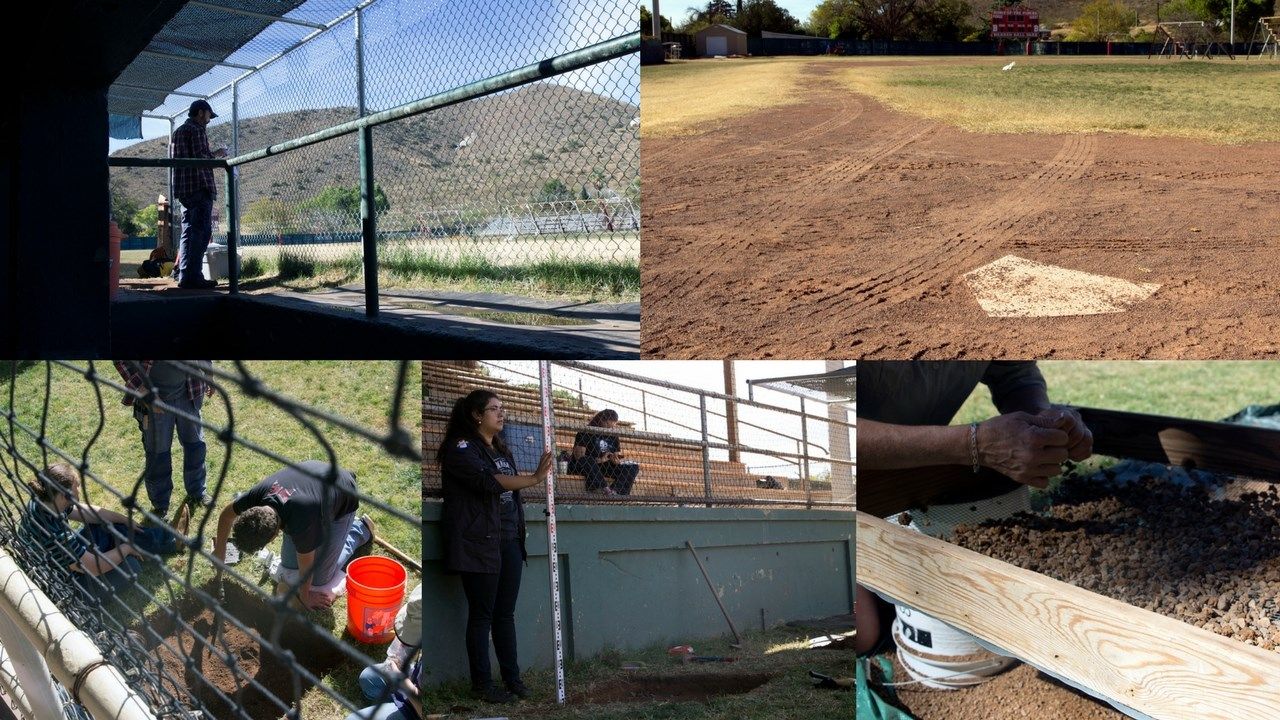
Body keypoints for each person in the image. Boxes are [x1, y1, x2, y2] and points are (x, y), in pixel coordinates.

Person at [854, 361, 1094, 655]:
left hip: (909, 473)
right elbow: (826, 428)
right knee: (863, 636)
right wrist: (972, 444)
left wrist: (1041, 423)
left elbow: (1015, 374)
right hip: (822, 476)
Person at [438, 390, 551, 704]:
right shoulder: (461, 448)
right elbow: (488, 482)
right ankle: (482, 685)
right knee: (482, 616)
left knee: (505, 614)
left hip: (509, 539)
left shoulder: (500, 448)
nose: (501, 414)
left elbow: (508, 492)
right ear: (477, 415)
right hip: (479, 544)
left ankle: (513, 680)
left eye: (502, 408)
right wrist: (534, 479)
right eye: (493, 409)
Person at [211, 460, 375, 610]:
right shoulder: (257, 499)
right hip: (313, 489)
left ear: (275, 535)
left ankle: (360, 529)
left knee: (319, 579)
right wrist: (220, 550)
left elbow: (307, 568)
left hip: (343, 496)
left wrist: (305, 598)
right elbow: (226, 516)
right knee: (289, 566)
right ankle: (321, 528)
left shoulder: (300, 521)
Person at [17, 463, 174, 599]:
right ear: (65, 495)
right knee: (131, 567)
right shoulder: (55, 535)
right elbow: (95, 567)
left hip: (67, 562)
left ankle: (169, 539)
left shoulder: (45, 500)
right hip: (66, 586)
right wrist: (126, 549)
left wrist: (123, 519)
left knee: (106, 524)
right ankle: (162, 542)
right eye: (77, 486)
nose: (79, 490)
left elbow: (87, 513)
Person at [115, 361, 214, 526]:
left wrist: (208, 374)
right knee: (158, 456)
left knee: (195, 446)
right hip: (154, 401)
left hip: (189, 393)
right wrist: (142, 390)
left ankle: (197, 492)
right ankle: (160, 505)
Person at [172, 98, 228, 290]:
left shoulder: (179, 131)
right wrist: (218, 154)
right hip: (199, 186)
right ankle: (194, 276)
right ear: (201, 112)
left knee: (188, 231)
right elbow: (201, 157)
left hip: (184, 189)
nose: (209, 120)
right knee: (202, 231)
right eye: (208, 115)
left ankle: (185, 275)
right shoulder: (196, 130)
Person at [349, 583, 423, 720]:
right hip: (416, 682)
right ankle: (393, 704)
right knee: (368, 678)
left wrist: (403, 682)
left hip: (421, 710)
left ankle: (396, 708)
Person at [570, 409, 639, 496]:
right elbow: (579, 457)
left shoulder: (613, 435)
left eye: (612, 426)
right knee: (586, 460)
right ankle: (604, 488)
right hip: (588, 467)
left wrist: (615, 460)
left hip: (605, 467)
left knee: (633, 466)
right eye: (607, 424)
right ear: (600, 420)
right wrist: (600, 459)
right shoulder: (586, 431)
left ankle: (615, 491)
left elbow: (616, 455)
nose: (609, 428)